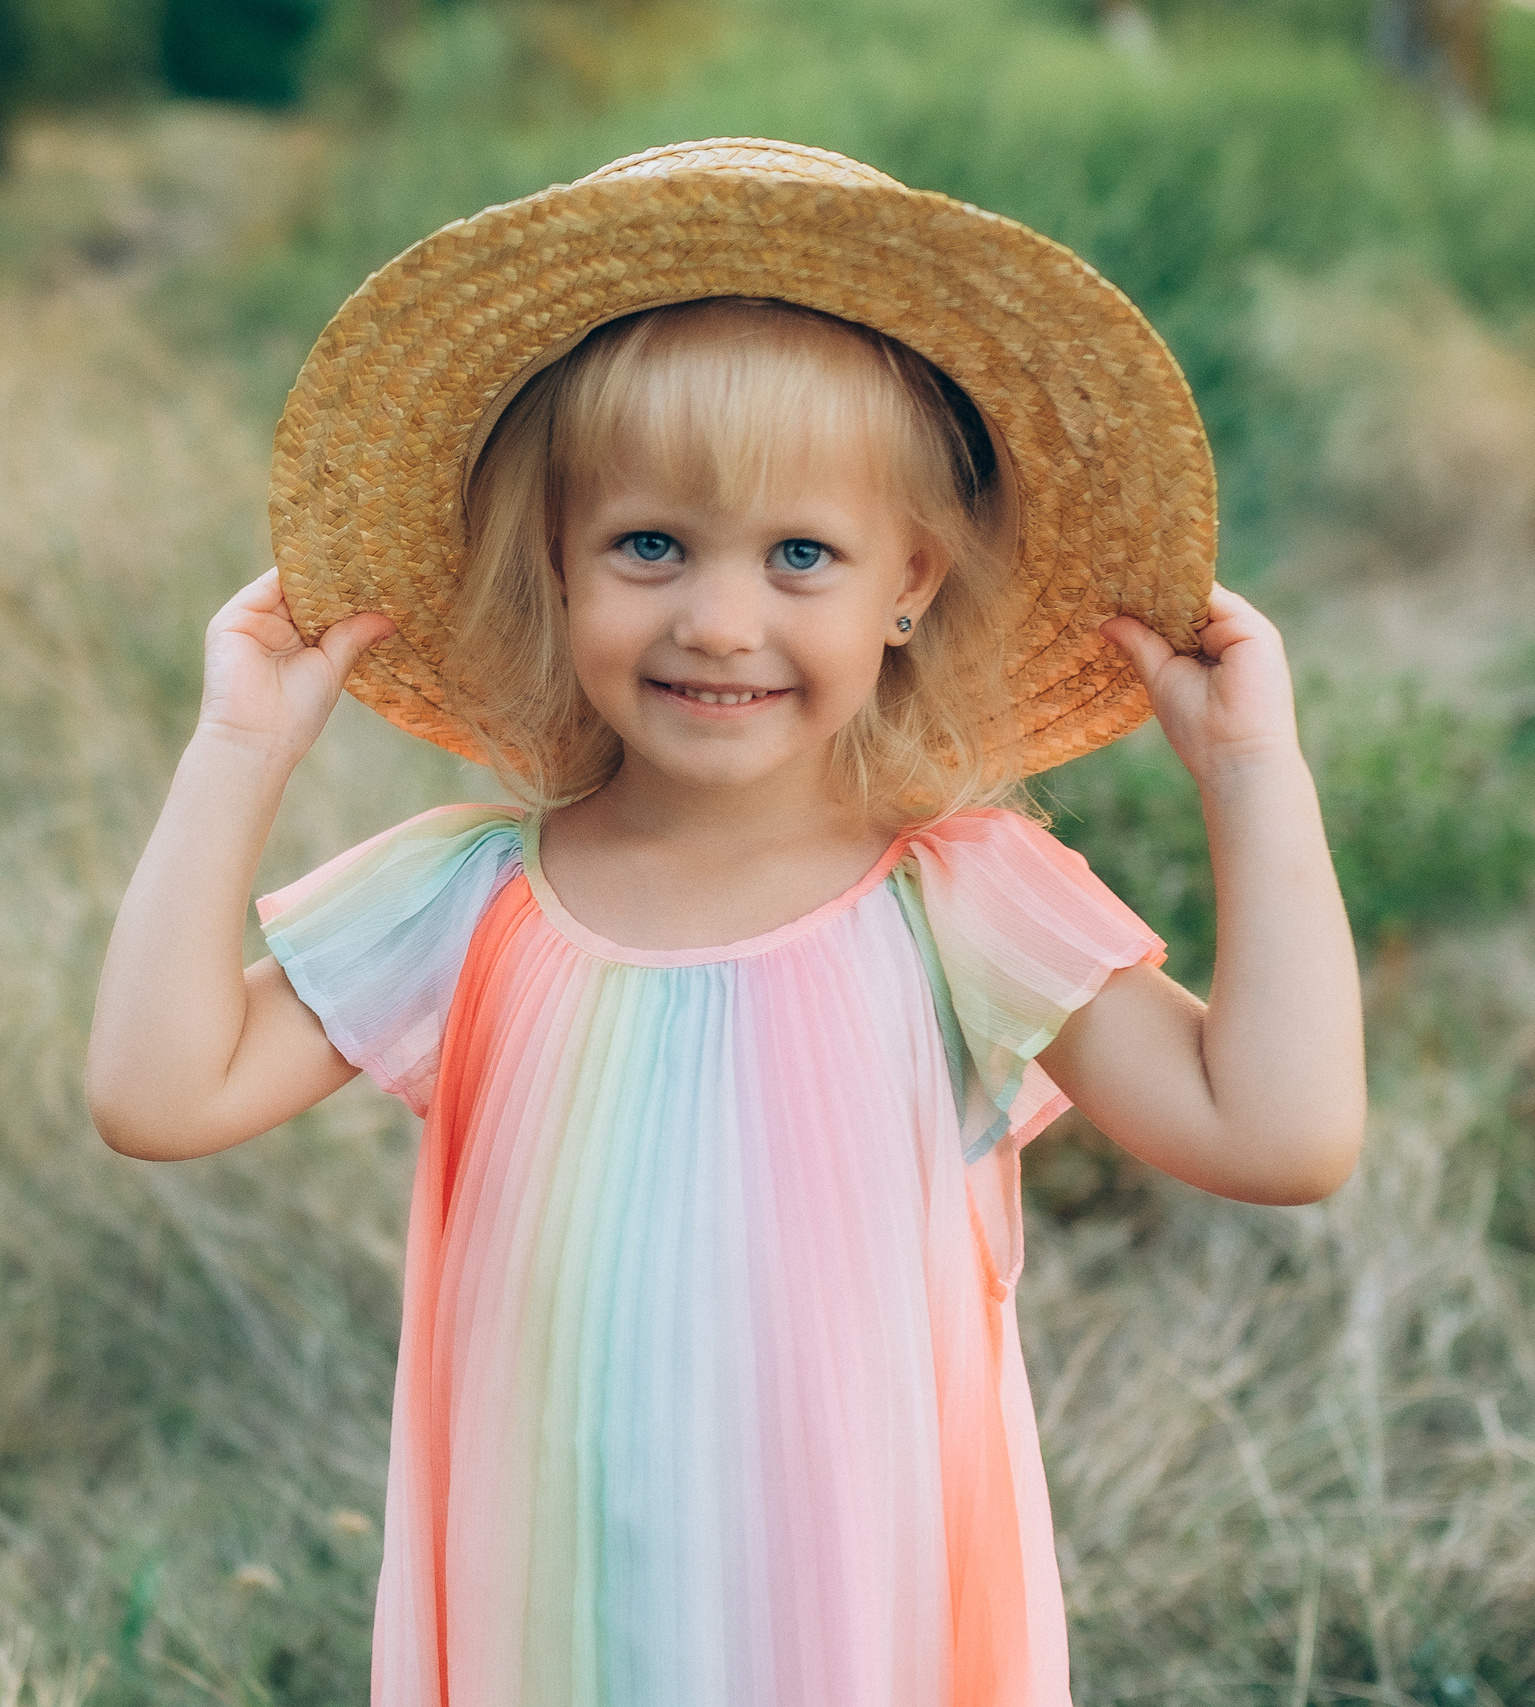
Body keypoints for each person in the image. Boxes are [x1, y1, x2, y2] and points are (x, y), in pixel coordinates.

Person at [86, 139, 1365, 1705]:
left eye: (801, 556)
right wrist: (239, 753)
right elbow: (156, 1093)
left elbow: (1283, 1133)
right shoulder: (474, 896)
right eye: (649, 545)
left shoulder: (954, 895)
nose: (718, 620)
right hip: (549, 1623)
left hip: (855, 1632)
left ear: (911, 584)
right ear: (555, 564)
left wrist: (1251, 773)